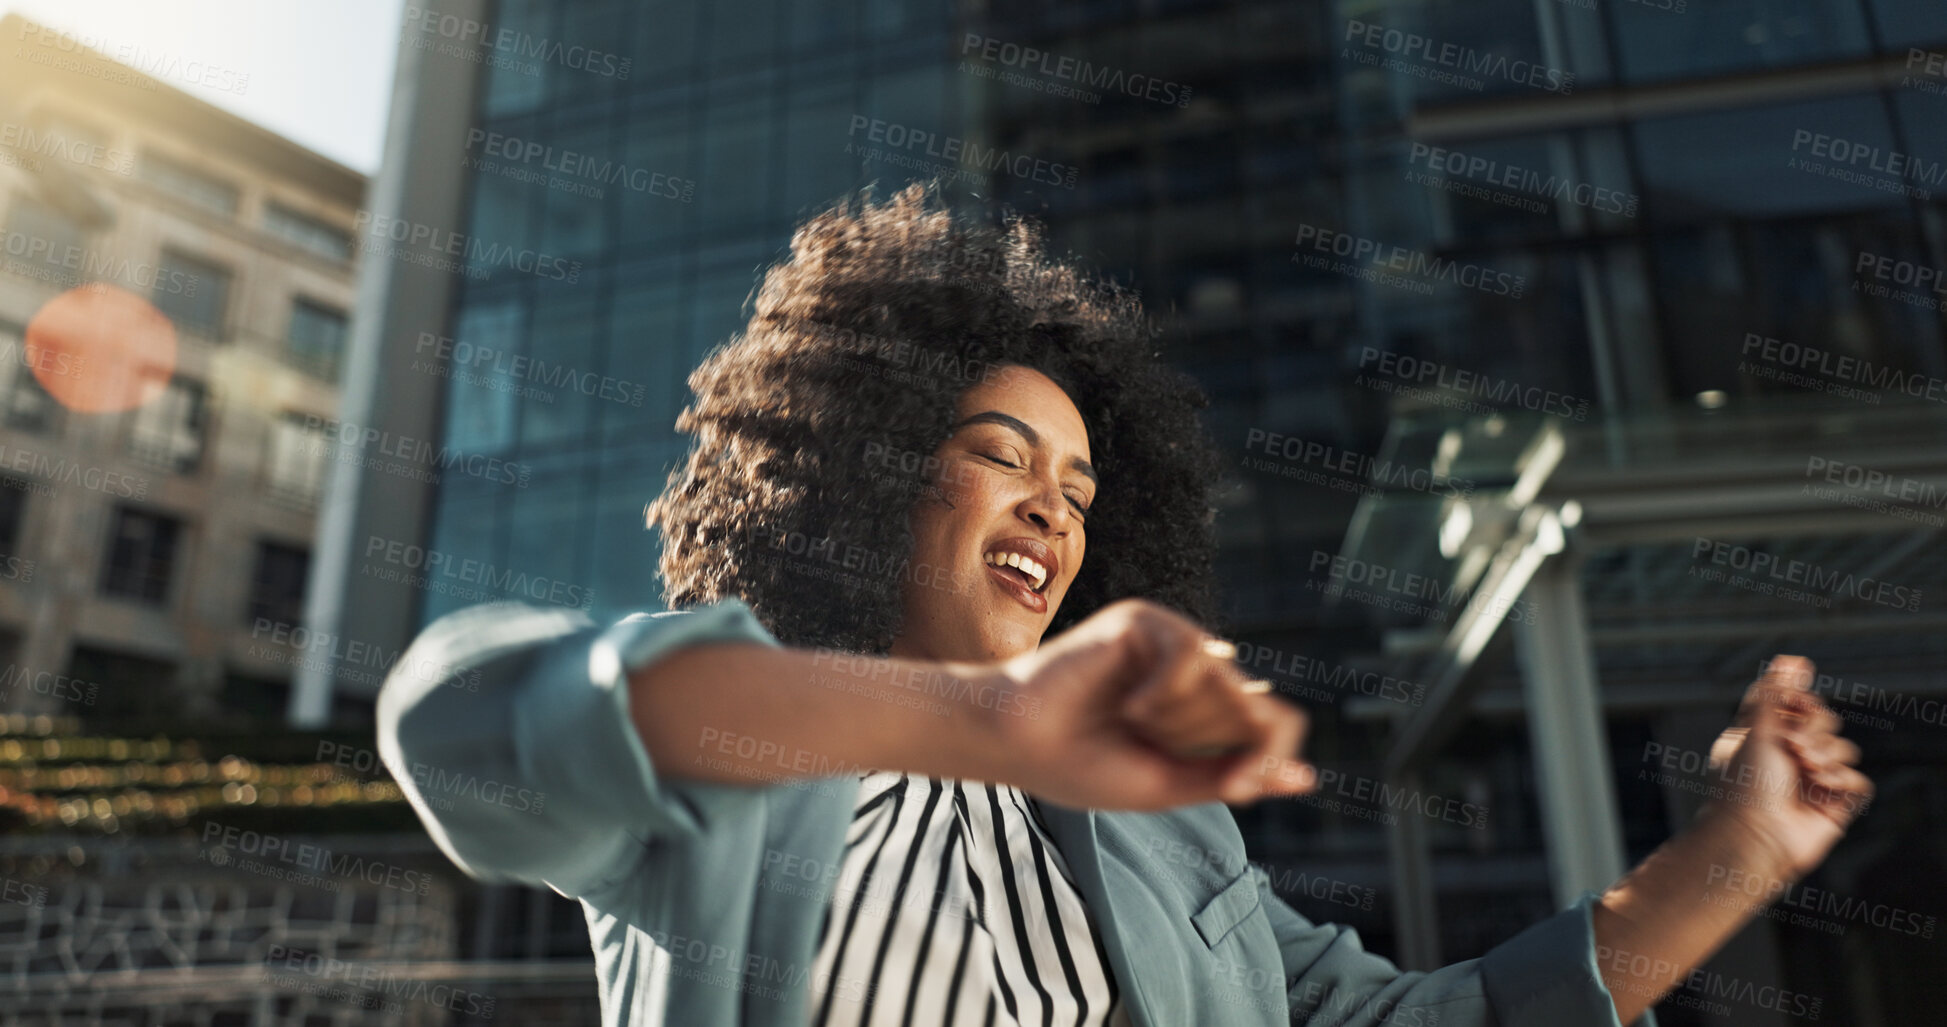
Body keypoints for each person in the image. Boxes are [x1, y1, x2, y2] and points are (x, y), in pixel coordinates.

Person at [377, 183, 1872, 1026]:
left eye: (1084, 493)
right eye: (998, 457)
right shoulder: (735, 749)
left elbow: (1448, 1025)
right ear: (869, 468)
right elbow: (461, 723)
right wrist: (990, 717)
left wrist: (1736, 856)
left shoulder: (1169, 838)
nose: (1053, 508)